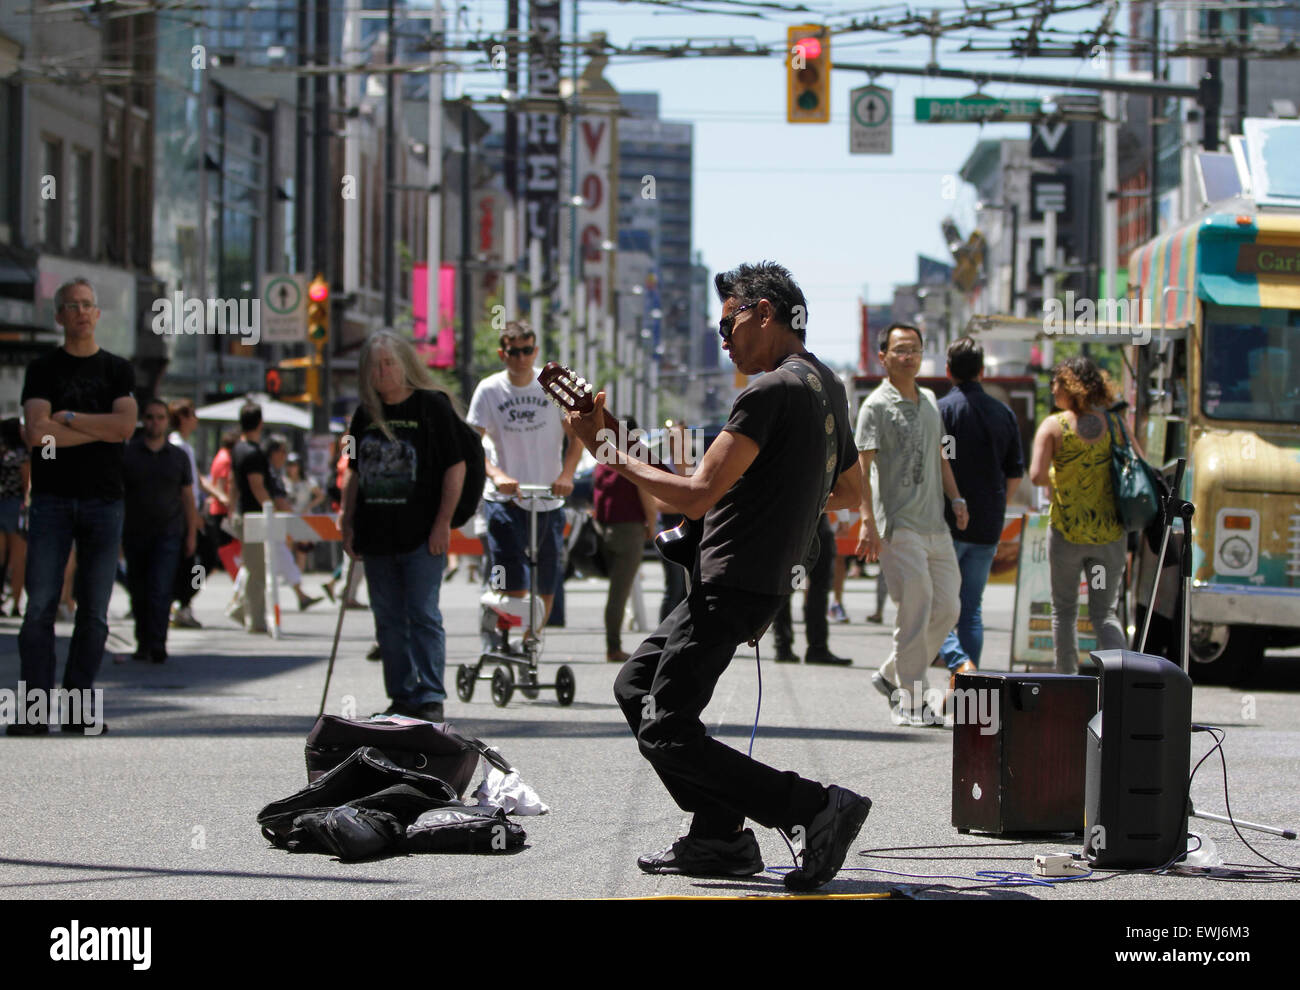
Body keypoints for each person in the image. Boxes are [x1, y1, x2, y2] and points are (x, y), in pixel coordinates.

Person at [564, 261, 870, 891]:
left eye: (728, 320)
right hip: (745, 576)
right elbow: (848, 490)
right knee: (636, 685)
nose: (720, 335)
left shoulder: (768, 393)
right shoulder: (825, 386)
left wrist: (608, 452)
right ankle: (719, 837)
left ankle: (813, 807)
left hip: (735, 578)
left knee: (667, 729)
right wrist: (775, 498)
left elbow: (697, 496)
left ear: (763, 311)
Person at [11, 278, 136, 735]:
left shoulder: (117, 370)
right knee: (40, 605)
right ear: (59, 316)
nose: (81, 312)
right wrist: (94, 429)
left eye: (88, 305)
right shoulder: (42, 369)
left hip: (105, 501)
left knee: (95, 611)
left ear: (97, 314)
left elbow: (125, 427)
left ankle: (80, 708)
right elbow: (35, 434)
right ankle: (34, 711)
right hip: (51, 499)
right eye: (72, 306)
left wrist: (67, 420)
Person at [341, 330, 466, 723]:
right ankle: (401, 695)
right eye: (375, 365)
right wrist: (347, 522)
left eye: (389, 363)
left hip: (422, 534)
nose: (382, 372)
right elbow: (353, 471)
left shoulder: (433, 406)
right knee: (388, 619)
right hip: (376, 535)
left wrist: (443, 523)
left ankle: (430, 694)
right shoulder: (363, 415)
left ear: (405, 365)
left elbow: (455, 466)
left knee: (422, 613)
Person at [856, 322, 967, 727]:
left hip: (934, 525)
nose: (909, 356)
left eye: (915, 349)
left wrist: (956, 497)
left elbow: (941, 457)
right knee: (916, 606)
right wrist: (867, 520)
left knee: (948, 606)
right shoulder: (875, 406)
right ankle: (911, 700)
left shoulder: (930, 400)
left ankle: (890, 676)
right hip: (897, 524)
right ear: (882, 356)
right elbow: (863, 468)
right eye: (900, 350)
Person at [467, 321, 581, 639]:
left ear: (536, 352)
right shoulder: (489, 390)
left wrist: (567, 475)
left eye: (527, 351)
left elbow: (577, 438)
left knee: (547, 575)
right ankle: (507, 635)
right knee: (511, 576)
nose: (521, 358)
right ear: (503, 354)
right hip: (504, 499)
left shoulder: (553, 387)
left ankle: (529, 642)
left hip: (548, 495)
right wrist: (496, 474)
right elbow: (472, 443)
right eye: (514, 352)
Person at [1028, 356, 1130, 673]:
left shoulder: (1054, 426)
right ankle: (1123, 681)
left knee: (1064, 611)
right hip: (1109, 535)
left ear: (1070, 385)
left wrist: (1062, 479)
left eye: (1056, 383)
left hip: (1067, 532)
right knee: (1104, 614)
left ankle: (1067, 682)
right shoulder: (1115, 423)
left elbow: (1036, 475)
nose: (1053, 389)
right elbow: (1134, 467)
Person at [936, 337, 1025, 699]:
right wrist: (997, 503)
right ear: (983, 371)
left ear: (948, 371)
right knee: (971, 610)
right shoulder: (1002, 413)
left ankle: (959, 665)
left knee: (936, 607)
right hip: (988, 524)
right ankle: (968, 691)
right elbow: (1015, 472)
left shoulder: (940, 410)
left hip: (944, 523)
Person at [123, 398, 198, 663]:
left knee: (160, 589)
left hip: (169, 533)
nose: (155, 422)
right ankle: (143, 641)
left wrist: (191, 533)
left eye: (160, 417)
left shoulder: (178, 456)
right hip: (135, 533)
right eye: (150, 417)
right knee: (139, 590)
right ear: (144, 420)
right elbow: (119, 496)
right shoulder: (129, 454)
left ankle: (158, 643)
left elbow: (188, 497)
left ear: (167, 421)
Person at [592, 415, 656, 662]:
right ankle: (613, 647)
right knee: (619, 593)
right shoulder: (633, 457)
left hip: (604, 529)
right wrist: (651, 523)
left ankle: (613, 643)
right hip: (629, 531)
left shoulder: (603, 457)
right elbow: (645, 495)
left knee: (615, 592)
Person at [168, 399, 223, 628]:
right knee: (201, 558)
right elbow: (184, 486)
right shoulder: (176, 445)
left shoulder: (186, 446)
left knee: (203, 560)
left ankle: (183, 601)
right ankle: (181, 602)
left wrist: (219, 495)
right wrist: (193, 516)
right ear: (182, 418)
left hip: (194, 512)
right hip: (185, 515)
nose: (196, 420)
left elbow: (197, 478)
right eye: (192, 415)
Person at [772, 513, 852, 665]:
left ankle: (783, 646)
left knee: (790, 584)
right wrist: (843, 517)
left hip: (791, 519)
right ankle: (815, 647)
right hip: (813, 517)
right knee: (815, 585)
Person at [264, 435, 322, 612]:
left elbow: (319, 494)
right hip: (278, 522)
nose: (286, 460)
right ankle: (299, 595)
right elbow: (278, 501)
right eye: (283, 453)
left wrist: (306, 509)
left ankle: (300, 594)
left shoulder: (299, 479)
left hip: (290, 520)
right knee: (277, 559)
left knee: (291, 555)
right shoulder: (274, 475)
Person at [228, 402, 272, 633]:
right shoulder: (254, 453)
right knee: (258, 570)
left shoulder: (237, 448)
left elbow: (233, 482)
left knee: (251, 566)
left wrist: (230, 506)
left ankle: (238, 608)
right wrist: (271, 508)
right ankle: (255, 619)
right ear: (260, 423)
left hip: (243, 512)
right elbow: (257, 486)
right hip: (255, 515)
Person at [0, 417, 30, 617]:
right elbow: (27, 484)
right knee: (18, 560)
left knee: (2, 559)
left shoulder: (3, 455)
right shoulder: (22, 456)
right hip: (15, 505)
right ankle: (16, 605)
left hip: (2, 503)